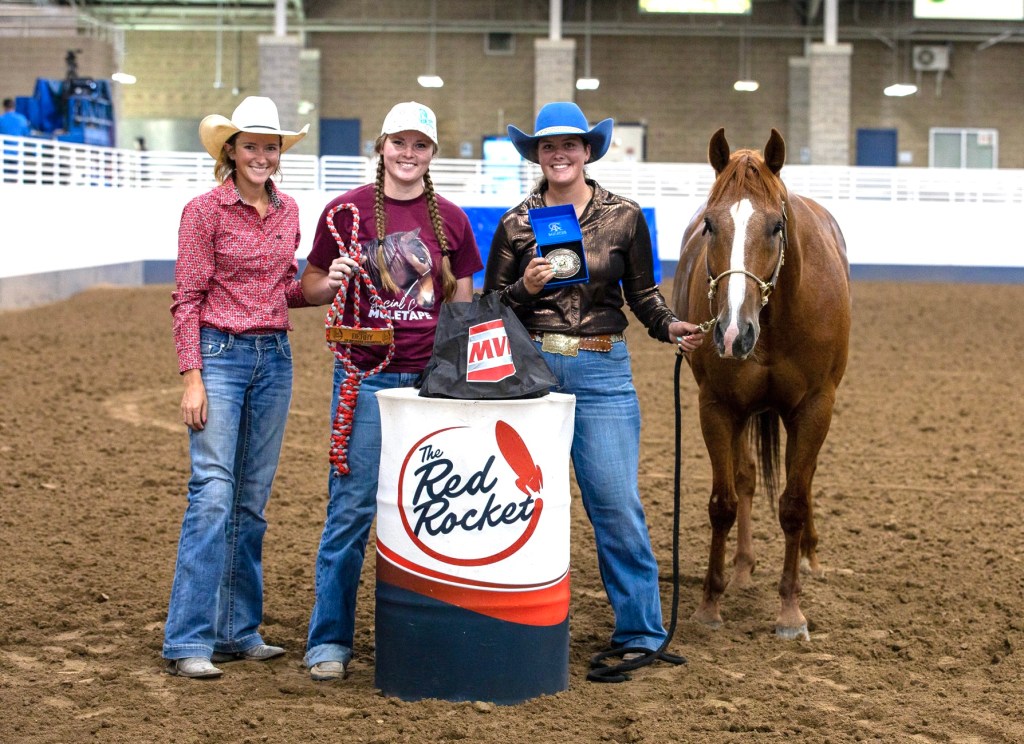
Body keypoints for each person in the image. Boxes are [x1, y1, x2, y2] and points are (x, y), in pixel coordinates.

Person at [484, 101, 704, 662]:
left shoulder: (625, 217)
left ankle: (641, 631)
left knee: (614, 503)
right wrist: (525, 290)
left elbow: (642, 294)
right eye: (548, 146)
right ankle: (512, 623)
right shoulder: (515, 223)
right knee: (520, 503)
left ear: (587, 151)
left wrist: (668, 325)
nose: (559, 154)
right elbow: (490, 306)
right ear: (537, 154)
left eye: (569, 145)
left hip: (603, 368)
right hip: (531, 370)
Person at [301, 101, 482, 682]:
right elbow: (310, 282)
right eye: (399, 142)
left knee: (435, 511)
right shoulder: (345, 211)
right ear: (381, 146)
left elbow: (463, 304)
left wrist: (454, 373)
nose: (408, 153)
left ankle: (430, 635)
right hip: (365, 377)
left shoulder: (452, 220)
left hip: (430, 382)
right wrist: (328, 282)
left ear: (432, 153)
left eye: (419, 145)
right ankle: (329, 640)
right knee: (351, 508)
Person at [164, 96, 310, 679]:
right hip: (220, 356)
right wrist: (192, 377)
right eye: (251, 145)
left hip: (274, 357)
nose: (261, 156)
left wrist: (327, 285)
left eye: (270, 147)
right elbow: (186, 299)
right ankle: (187, 638)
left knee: (250, 501)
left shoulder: (289, 210)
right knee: (213, 494)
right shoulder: (204, 211)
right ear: (231, 150)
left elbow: (284, 289)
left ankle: (236, 630)